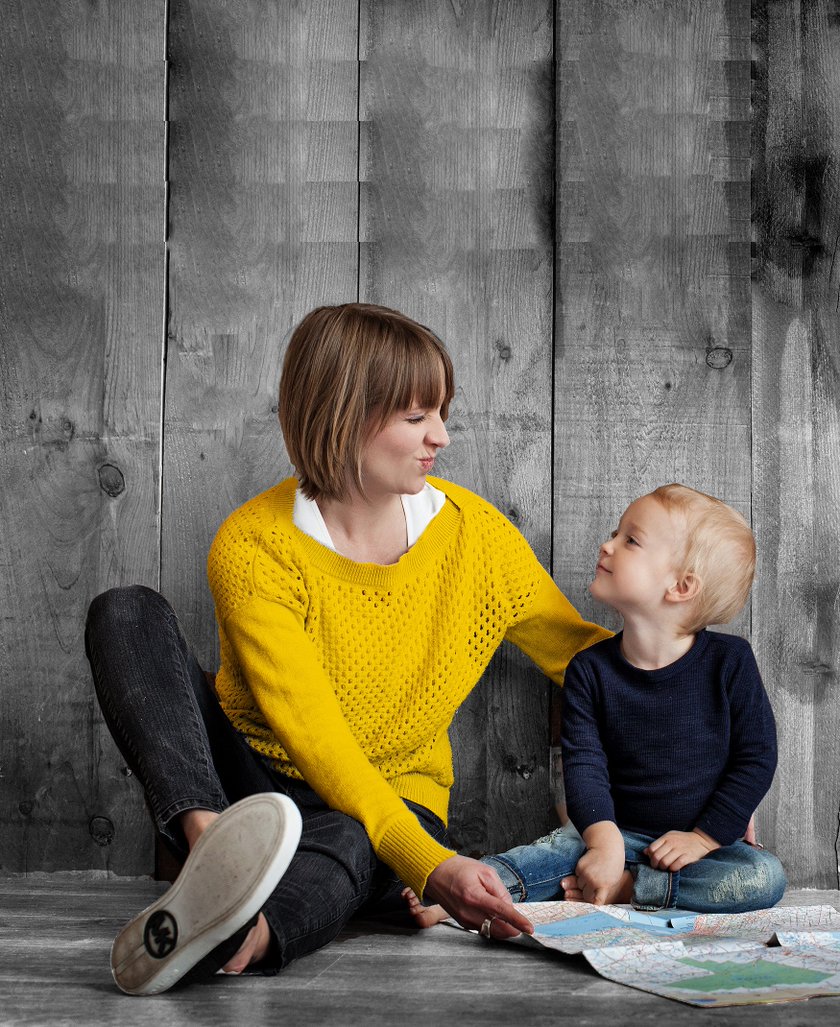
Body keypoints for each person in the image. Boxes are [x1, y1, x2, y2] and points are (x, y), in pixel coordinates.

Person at [84, 303, 611, 995]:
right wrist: (431, 867)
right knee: (125, 612)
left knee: (360, 835)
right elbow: (316, 736)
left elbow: (588, 659)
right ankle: (213, 847)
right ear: (345, 415)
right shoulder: (253, 545)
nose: (441, 437)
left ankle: (243, 930)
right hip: (251, 782)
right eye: (417, 417)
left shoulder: (476, 537)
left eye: (440, 413)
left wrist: (713, 706)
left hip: (392, 798)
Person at [408, 483, 786, 923]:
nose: (607, 545)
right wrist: (604, 843)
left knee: (764, 876)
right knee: (551, 853)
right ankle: (466, 891)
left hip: (698, 846)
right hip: (611, 832)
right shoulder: (590, 669)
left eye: (631, 540)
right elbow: (585, 764)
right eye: (615, 533)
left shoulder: (730, 662)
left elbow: (757, 757)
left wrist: (704, 838)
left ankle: (630, 888)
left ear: (681, 586)